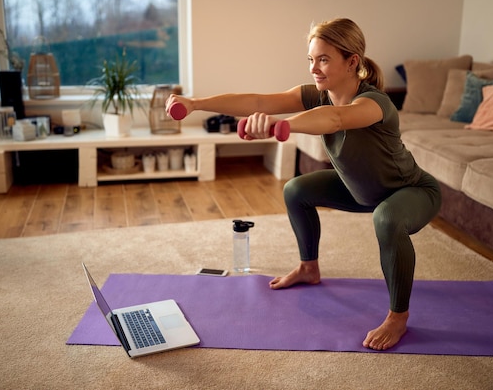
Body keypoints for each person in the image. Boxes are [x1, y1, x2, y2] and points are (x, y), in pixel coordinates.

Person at [166, 18, 441, 351]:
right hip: (360, 189)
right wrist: (196, 104)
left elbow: (336, 118)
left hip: (409, 192)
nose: (315, 68)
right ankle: (308, 268)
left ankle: (398, 316)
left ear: (352, 61)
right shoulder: (316, 94)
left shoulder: (374, 103)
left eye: (323, 59)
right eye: (311, 60)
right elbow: (257, 101)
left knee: (386, 218)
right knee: (296, 190)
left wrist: (282, 126)